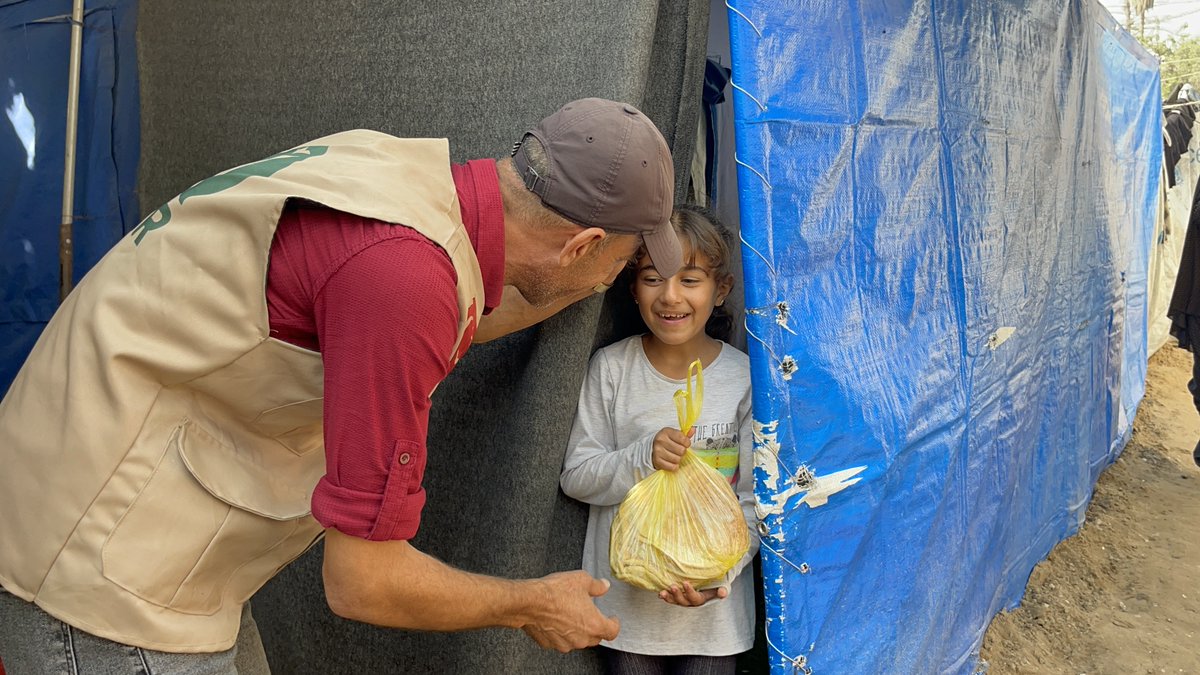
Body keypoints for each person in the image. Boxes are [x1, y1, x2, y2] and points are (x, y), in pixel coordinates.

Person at [0, 98, 685, 672]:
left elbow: (466, 309)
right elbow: (363, 581)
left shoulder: (405, 184)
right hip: (96, 561)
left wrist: (572, 284)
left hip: (120, 510)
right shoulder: (402, 277)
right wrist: (530, 605)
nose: (609, 284)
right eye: (618, 266)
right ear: (580, 244)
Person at [560, 206, 759, 675]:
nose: (670, 296)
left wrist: (719, 579)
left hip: (714, 622)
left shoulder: (745, 379)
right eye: (653, 278)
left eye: (690, 280)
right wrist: (641, 457)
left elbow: (754, 501)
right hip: (626, 619)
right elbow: (576, 476)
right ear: (633, 288)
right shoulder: (612, 370)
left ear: (721, 289)